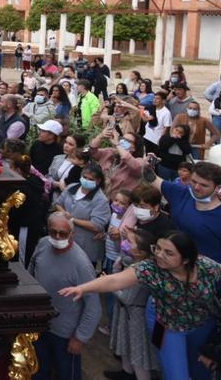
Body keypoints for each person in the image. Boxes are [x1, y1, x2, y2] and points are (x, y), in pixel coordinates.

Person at [60, 230, 221, 380]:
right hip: (169, 328)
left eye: (168, 253)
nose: (160, 255)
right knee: (177, 376)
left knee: (200, 372)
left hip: (202, 325)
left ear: (186, 259)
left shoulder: (205, 266)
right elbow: (115, 281)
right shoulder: (150, 269)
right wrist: (83, 288)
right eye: (158, 249)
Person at [29, 213, 100, 380]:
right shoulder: (43, 244)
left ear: (72, 234)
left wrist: (80, 337)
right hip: (40, 325)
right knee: (38, 371)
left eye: (62, 233)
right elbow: (32, 270)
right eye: (53, 232)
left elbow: (93, 306)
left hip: (65, 334)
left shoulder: (81, 264)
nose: (57, 236)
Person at [144, 161, 221, 273]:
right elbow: (151, 178)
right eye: (193, 181)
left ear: (218, 188)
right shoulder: (181, 194)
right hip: (175, 271)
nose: (196, 187)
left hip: (208, 278)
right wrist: (146, 164)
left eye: (204, 185)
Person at [106, 233, 159, 380]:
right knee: (125, 345)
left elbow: (127, 298)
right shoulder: (131, 263)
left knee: (137, 353)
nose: (125, 244)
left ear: (141, 252)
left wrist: (107, 284)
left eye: (130, 242)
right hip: (125, 312)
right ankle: (126, 372)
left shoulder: (140, 271)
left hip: (135, 315)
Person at [56, 163, 111, 266]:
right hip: (65, 240)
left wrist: (72, 220)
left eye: (91, 179)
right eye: (84, 177)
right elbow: (59, 203)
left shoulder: (100, 200)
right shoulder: (72, 187)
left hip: (85, 246)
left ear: (98, 181)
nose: (86, 180)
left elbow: (97, 225)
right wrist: (64, 213)